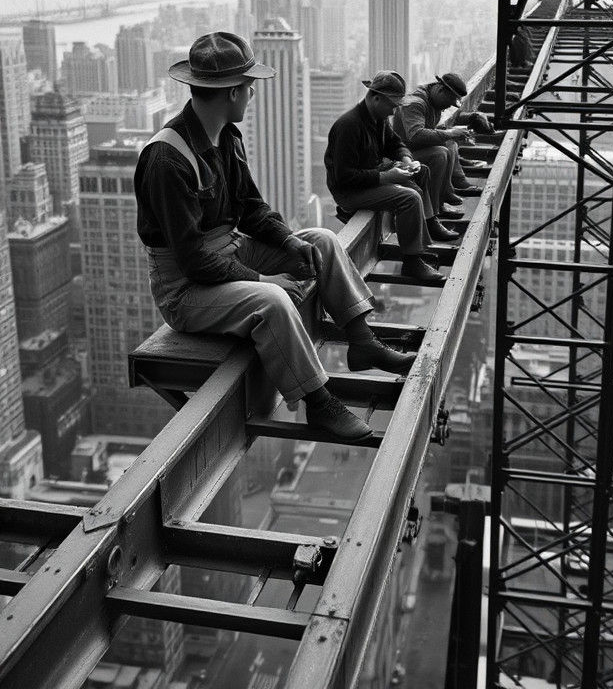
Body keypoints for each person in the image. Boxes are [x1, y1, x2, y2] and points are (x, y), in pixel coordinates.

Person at [134, 32, 416, 445]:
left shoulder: (227, 138)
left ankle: (362, 341)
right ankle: (319, 403)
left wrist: (289, 242)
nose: (252, 93)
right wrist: (264, 281)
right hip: (186, 289)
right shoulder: (167, 159)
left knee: (321, 238)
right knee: (273, 301)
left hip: (229, 250)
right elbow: (193, 259)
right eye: (249, 87)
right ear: (232, 92)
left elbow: (251, 207)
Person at [325, 71, 459, 283]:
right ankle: (412, 262)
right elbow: (344, 177)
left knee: (420, 175)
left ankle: (421, 242)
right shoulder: (349, 125)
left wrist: (407, 160)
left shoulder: (377, 119)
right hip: (350, 192)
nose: (395, 110)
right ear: (375, 98)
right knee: (409, 198)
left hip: (373, 174)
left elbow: (394, 143)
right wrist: (386, 177)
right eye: (392, 105)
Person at [393, 72, 491, 210]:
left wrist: (458, 130)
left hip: (414, 149)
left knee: (450, 144)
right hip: (403, 156)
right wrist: (449, 133)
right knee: (440, 153)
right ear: (440, 90)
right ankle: (435, 209)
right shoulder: (415, 103)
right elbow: (415, 135)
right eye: (449, 102)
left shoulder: (433, 101)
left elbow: (431, 129)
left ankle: (449, 189)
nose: (448, 107)